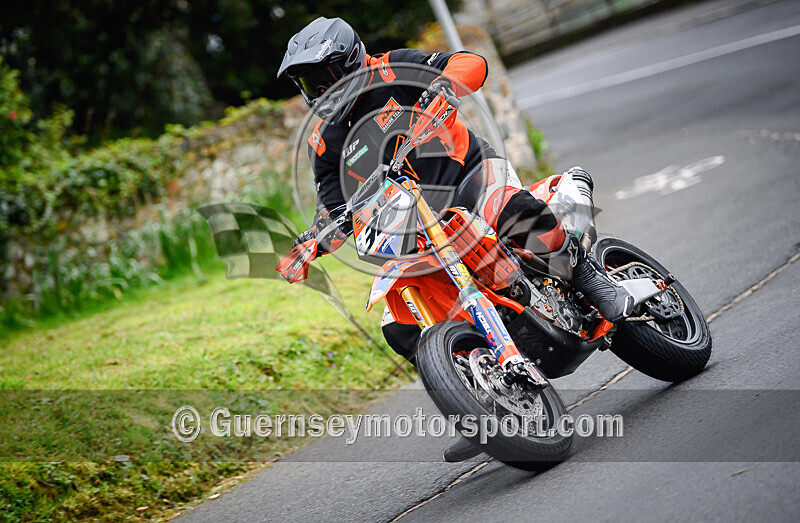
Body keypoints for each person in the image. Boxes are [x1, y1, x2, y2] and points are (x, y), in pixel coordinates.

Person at [277, 17, 633, 462]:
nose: (318, 87)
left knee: (509, 213)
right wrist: (312, 243)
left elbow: (469, 63)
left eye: (323, 74)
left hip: (469, 177)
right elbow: (334, 209)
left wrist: (442, 85)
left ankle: (588, 277)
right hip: (413, 223)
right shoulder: (324, 140)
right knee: (399, 324)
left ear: (350, 60)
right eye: (307, 81)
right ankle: (477, 403)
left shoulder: (393, 71)